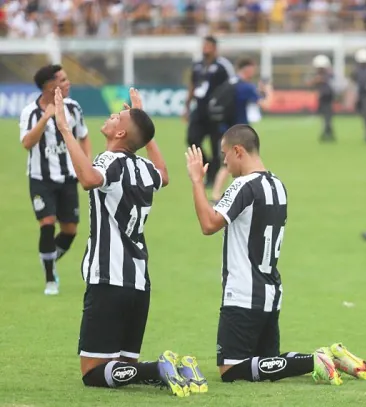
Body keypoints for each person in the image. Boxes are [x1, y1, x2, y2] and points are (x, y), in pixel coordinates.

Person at [185, 124, 366, 385]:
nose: (224, 163)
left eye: (224, 155)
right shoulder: (277, 185)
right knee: (266, 365)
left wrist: (196, 180)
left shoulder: (243, 186)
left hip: (243, 294)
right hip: (270, 295)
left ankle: (313, 360)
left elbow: (208, 224)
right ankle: (332, 357)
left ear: (238, 150)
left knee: (231, 370)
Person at [54, 86, 205, 397]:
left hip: (108, 279)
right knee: (123, 369)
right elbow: (164, 174)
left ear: (120, 133)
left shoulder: (110, 159)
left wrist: (65, 130)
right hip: (138, 282)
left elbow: (89, 179)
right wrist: (144, 125)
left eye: (118, 116)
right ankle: (175, 371)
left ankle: (159, 368)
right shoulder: (145, 169)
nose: (112, 115)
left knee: (93, 373)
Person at [19, 64, 91, 296]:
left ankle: (48, 260)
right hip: (41, 178)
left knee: (70, 230)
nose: (68, 83)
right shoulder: (30, 112)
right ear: (51, 87)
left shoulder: (73, 108)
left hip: (68, 177)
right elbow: (27, 143)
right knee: (48, 223)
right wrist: (46, 118)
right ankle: (50, 279)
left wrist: (86, 165)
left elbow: (84, 135)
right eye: (63, 80)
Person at [210, 57, 274, 202]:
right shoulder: (245, 86)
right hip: (240, 132)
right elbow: (266, 105)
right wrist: (268, 90)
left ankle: (216, 194)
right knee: (245, 163)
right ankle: (226, 194)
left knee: (227, 164)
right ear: (248, 69)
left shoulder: (231, 82)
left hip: (224, 130)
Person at [183, 35, 235, 186]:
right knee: (192, 139)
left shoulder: (222, 66)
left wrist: (226, 108)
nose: (205, 48)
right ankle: (208, 165)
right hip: (199, 110)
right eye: (203, 45)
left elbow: (230, 87)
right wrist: (187, 106)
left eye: (208, 46)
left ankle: (211, 178)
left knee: (215, 145)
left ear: (214, 48)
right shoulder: (197, 65)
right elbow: (192, 85)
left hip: (216, 113)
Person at [309, 54, 336, 142]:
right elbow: (312, 84)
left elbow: (327, 82)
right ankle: (328, 132)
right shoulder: (319, 75)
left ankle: (327, 132)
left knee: (327, 115)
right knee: (324, 116)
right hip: (322, 97)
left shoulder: (329, 74)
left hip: (328, 97)